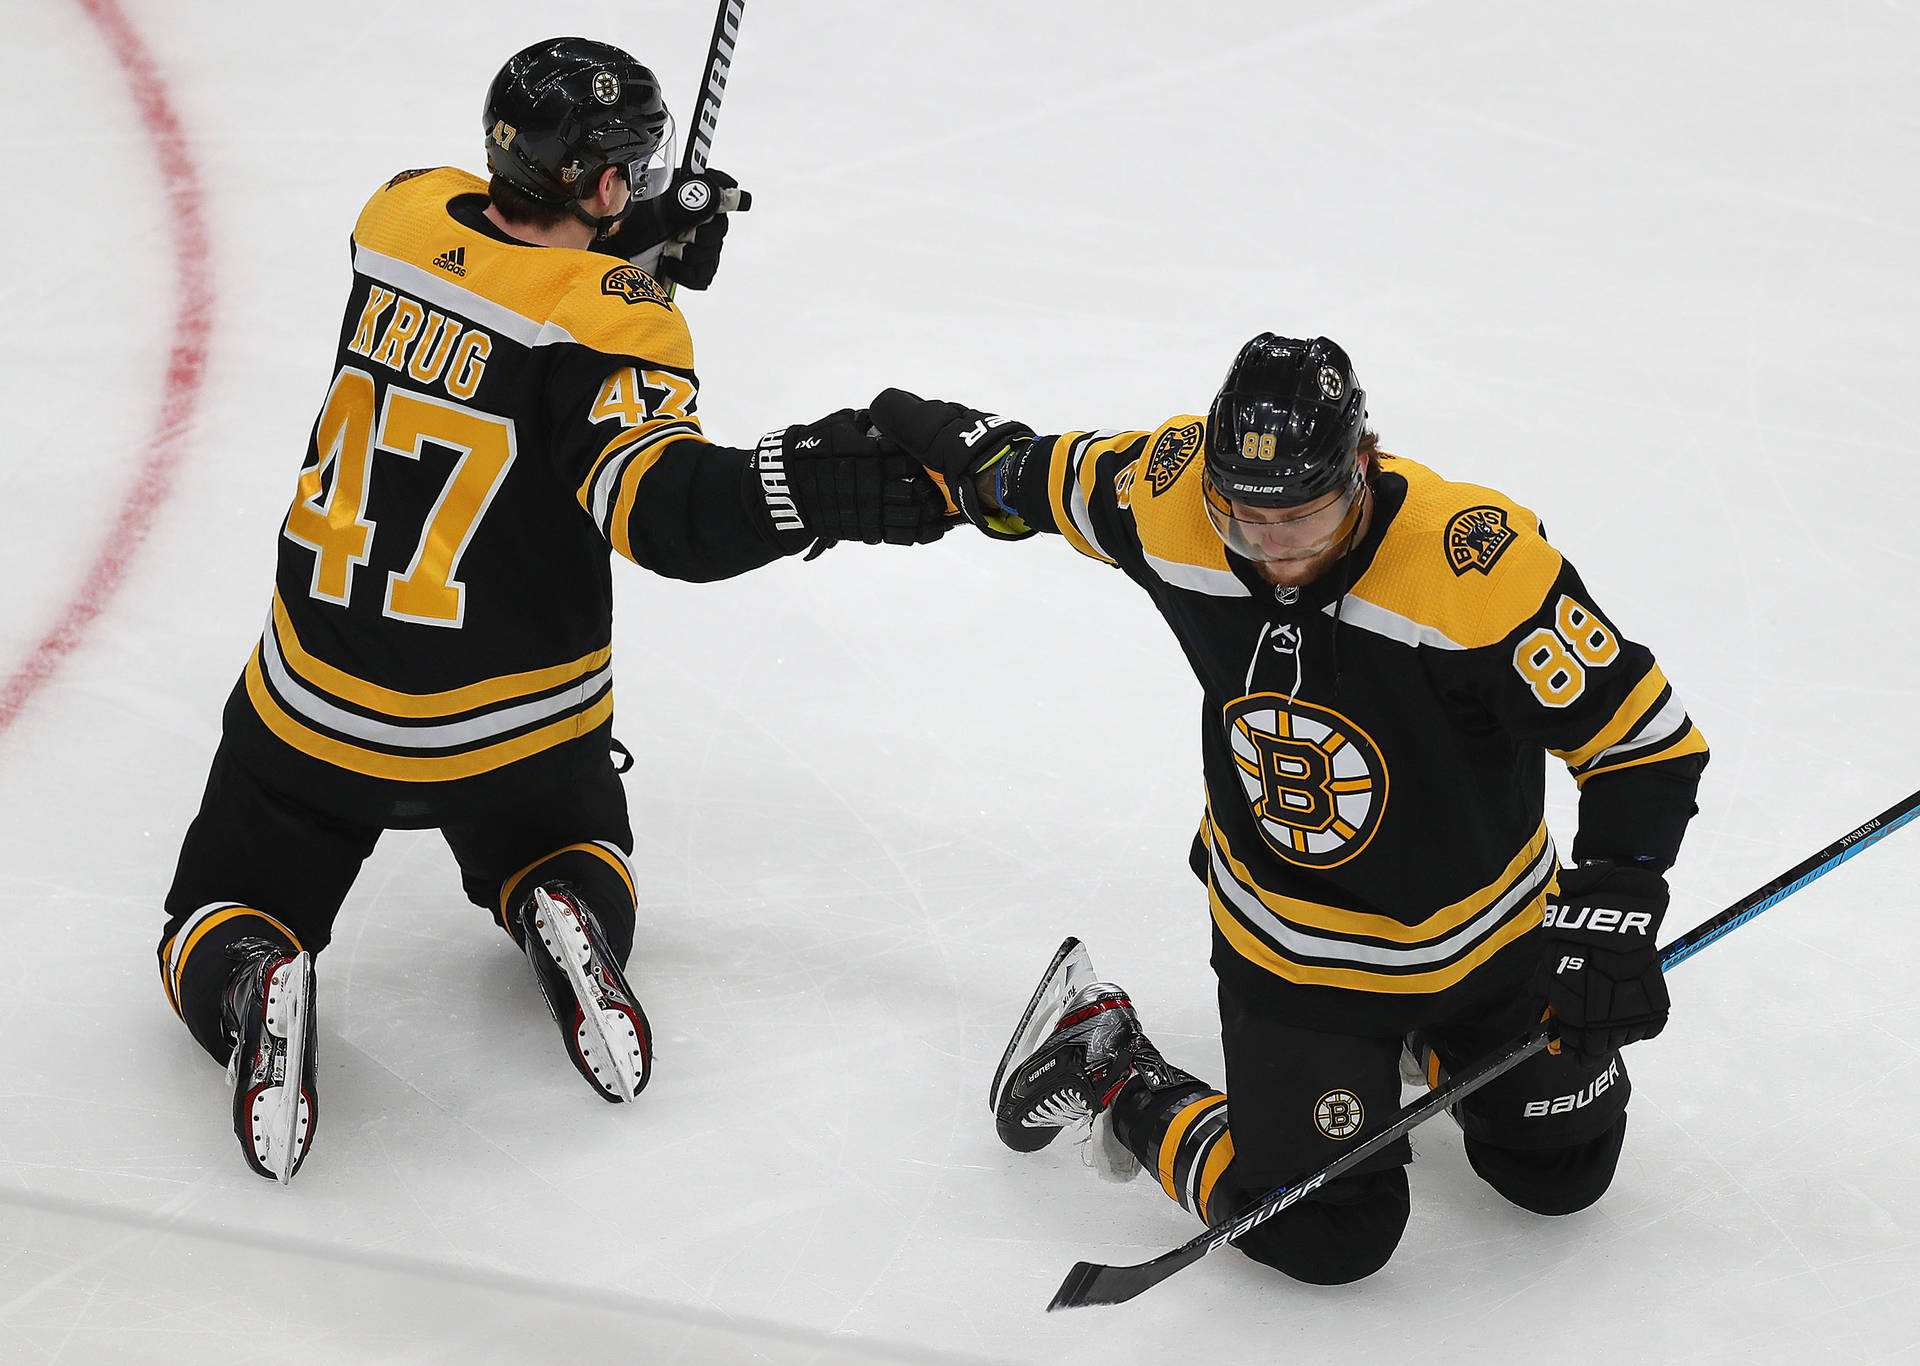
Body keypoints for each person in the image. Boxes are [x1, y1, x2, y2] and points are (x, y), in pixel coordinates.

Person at [157, 37, 947, 1184]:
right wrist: (802, 482)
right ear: (609, 181)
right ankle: (559, 896)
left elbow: (505, 282)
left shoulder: (396, 219)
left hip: (318, 699)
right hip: (513, 725)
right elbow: (664, 513)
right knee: (578, 840)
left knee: (219, 905)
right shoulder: (614, 322)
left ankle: (249, 975)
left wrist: (625, 232)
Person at [869, 334, 1708, 1283]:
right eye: (1242, 512)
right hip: (1298, 954)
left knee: (1563, 1172)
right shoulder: (1172, 493)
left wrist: (1614, 907)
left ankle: (1426, 1041)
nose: (1269, 544)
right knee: (1330, 1237)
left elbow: (1643, 745)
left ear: (1362, 465)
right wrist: (941, 460)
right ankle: (1115, 1071)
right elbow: (1035, 475)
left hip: (1491, 942)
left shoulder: (1474, 568)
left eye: (1300, 516)